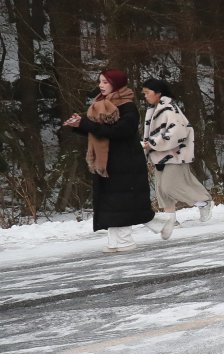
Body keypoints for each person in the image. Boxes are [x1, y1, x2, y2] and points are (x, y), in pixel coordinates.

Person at [61, 69, 154, 253]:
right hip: (106, 161)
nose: (101, 85)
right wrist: (79, 126)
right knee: (110, 202)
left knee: (121, 202)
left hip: (125, 161)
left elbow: (119, 132)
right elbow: (98, 131)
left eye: (105, 82)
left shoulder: (128, 106)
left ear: (116, 84)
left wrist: (85, 124)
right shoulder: (100, 104)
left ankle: (125, 240)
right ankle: (115, 240)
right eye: (100, 82)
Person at [140, 77, 214, 240]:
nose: (145, 96)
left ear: (158, 93)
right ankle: (171, 221)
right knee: (162, 190)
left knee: (170, 187)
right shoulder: (153, 110)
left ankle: (203, 201)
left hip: (174, 155)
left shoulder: (169, 109)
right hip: (159, 156)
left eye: (147, 92)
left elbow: (178, 132)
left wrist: (152, 143)